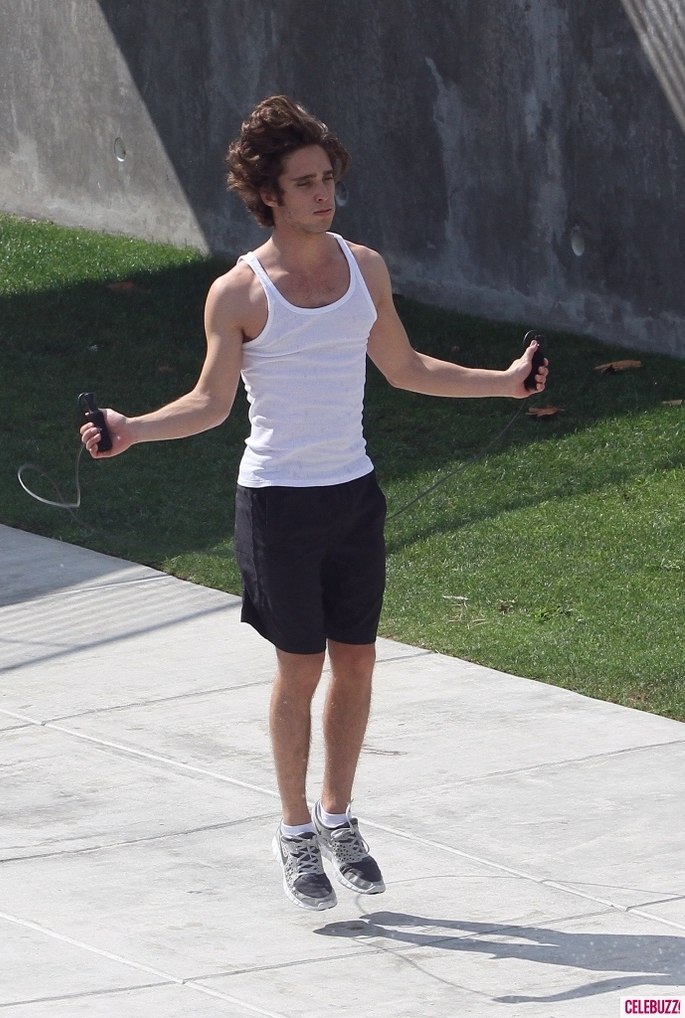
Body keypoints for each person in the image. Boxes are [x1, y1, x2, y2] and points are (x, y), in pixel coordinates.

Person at [80, 95, 548, 912]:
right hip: (277, 507)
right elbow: (210, 404)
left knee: (357, 661)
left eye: (327, 178)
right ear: (269, 194)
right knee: (300, 667)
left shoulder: (364, 269)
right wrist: (132, 429)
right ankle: (295, 831)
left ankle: (339, 816)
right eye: (305, 183)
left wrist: (504, 383)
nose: (323, 194)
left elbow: (406, 368)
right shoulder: (239, 293)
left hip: (353, 496)